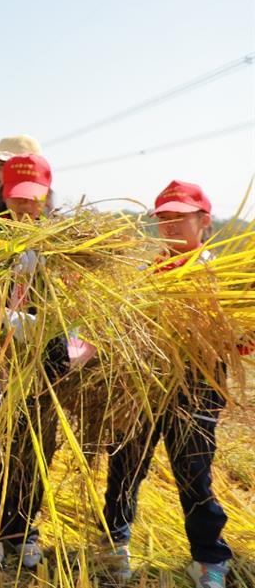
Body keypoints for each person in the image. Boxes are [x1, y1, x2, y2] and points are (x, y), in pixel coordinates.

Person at [103, 180, 233, 588]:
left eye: (181, 216)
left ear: (203, 220)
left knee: (194, 471)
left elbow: (243, 341)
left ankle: (209, 560)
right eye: (164, 217)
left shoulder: (219, 275)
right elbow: (109, 327)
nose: (172, 224)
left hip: (197, 388)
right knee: (126, 465)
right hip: (142, 384)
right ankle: (114, 545)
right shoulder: (142, 274)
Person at [0, 153, 85, 569]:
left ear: (48, 195)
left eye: (34, 198)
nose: (26, 207)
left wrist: (51, 332)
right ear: (4, 193)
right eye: (18, 197)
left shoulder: (68, 240)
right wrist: (4, 319)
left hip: (46, 361)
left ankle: (26, 528)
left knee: (36, 445)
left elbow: (79, 305)